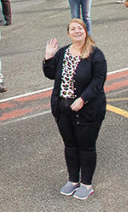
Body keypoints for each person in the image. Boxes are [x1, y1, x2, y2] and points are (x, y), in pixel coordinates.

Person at [43, 18, 107, 200]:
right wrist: (48, 57)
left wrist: (83, 99)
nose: (77, 31)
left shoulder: (95, 54)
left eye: (80, 28)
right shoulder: (63, 52)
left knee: (86, 147)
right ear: (68, 33)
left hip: (87, 110)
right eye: (73, 29)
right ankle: (73, 180)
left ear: (85, 31)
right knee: (70, 146)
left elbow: (98, 82)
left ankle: (86, 184)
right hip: (63, 109)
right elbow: (50, 75)